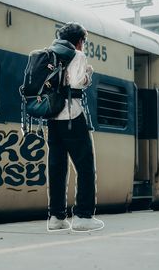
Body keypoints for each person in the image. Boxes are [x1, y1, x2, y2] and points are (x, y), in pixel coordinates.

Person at [47, 22, 104, 232]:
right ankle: (83, 216)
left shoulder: (49, 54)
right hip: (72, 116)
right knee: (85, 166)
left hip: (52, 117)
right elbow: (78, 83)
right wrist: (88, 73)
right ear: (79, 41)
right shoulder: (77, 56)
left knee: (57, 167)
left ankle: (56, 217)